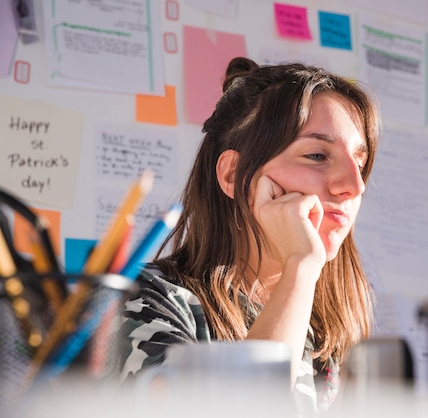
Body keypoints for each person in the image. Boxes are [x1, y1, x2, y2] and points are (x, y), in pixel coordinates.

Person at [117, 56, 380, 415]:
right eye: (317, 155)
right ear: (232, 175)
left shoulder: (329, 330)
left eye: (360, 164)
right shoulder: (144, 301)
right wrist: (300, 265)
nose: (354, 185)